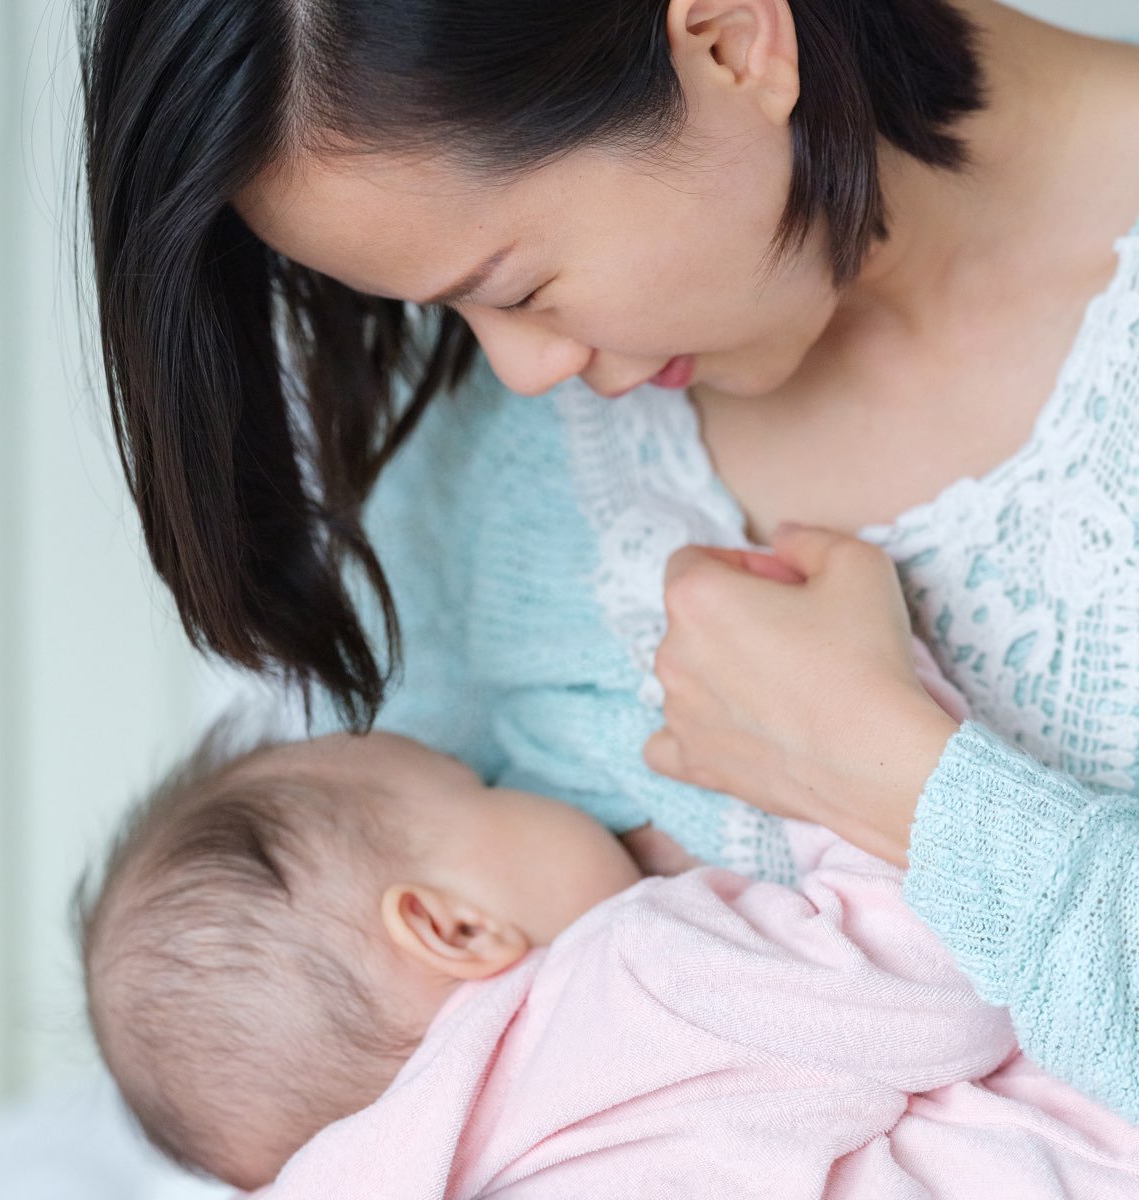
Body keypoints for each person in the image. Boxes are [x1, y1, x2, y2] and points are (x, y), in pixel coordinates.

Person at [78, 0, 1139, 1119]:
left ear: (733, 41)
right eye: (443, 311)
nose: (523, 371)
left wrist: (903, 783)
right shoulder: (484, 462)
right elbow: (367, 1073)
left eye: (516, 287)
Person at [79, 726, 1139, 1196]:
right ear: (453, 929)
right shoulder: (635, 974)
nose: (522, 782)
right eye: (478, 785)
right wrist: (821, 770)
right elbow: (940, 990)